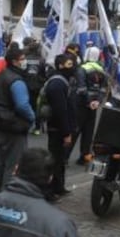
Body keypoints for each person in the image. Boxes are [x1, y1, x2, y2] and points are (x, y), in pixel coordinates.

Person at [0, 44, 36, 191]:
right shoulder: (17, 81)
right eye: (22, 59)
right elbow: (22, 105)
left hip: (0, 124)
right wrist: (32, 117)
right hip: (14, 126)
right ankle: (6, 197)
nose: (24, 61)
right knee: (13, 166)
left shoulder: (2, 75)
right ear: (15, 61)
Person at [43, 53, 78, 199]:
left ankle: (59, 187)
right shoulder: (57, 84)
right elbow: (60, 111)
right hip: (57, 129)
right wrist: (66, 133)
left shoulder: (62, 80)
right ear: (60, 65)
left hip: (60, 128)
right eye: (70, 64)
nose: (73, 67)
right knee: (54, 160)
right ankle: (49, 191)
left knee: (60, 159)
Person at [74, 46, 108, 165]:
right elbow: (104, 89)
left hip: (81, 105)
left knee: (75, 131)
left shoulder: (82, 69)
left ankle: (65, 156)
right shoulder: (102, 70)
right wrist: (97, 101)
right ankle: (84, 156)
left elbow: (81, 88)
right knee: (88, 132)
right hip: (94, 105)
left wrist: (89, 102)